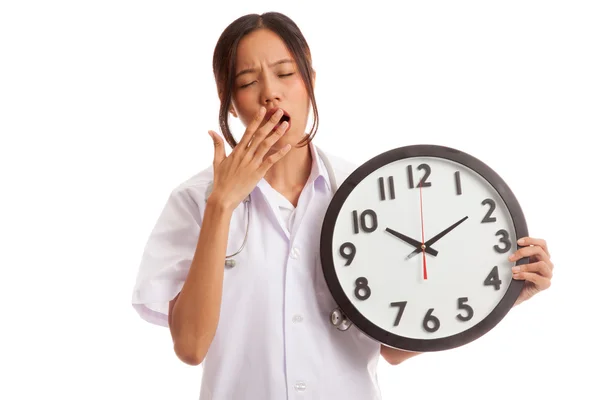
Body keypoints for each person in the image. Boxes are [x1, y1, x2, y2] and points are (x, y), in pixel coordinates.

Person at [131, 11, 554, 400]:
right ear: (228, 98)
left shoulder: (363, 193)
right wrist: (221, 204)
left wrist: (498, 294)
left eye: (285, 73)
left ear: (310, 80)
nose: (270, 95)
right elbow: (190, 347)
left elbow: (392, 345)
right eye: (247, 82)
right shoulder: (195, 199)